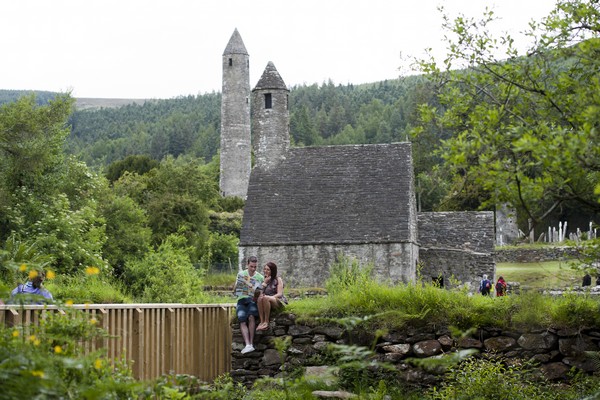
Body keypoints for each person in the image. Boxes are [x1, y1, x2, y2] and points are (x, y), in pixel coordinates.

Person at [233, 256, 264, 354]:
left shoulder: (260, 277)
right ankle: (248, 345)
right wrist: (238, 284)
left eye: (255, 267)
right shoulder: (241, 274)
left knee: (251, 316)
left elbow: (261, 292)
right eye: (251, 266)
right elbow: (234, 291)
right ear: (247, 265)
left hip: (252, 300)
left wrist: (257, 291)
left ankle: (251, 343)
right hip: (242, 299)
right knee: (241, 318)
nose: (253, 269)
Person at [256, 261, 287, 331]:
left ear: (272, 271)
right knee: (260, 298)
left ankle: (266, 322)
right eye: (265, 269)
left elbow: (279, 294)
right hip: (265, 300)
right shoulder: (263, 279)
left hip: (277, 300)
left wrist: (270, 297)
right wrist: (265, 283)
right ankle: (262, 321)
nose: (265, 271)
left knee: (265, 298)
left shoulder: (278, 279)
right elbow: (259, 293)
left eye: (268, 269)